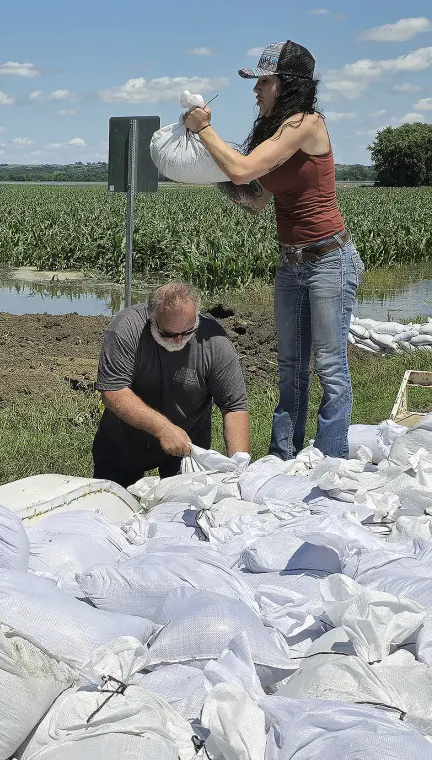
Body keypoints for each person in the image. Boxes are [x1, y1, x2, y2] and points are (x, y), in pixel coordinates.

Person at [184, 40, 365, 459]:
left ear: (289, 84)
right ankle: (284, 459)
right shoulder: (275, 133)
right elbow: (254, 199)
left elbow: (243, 167)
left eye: (264, 81)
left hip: (329, 261)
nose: (256, 90)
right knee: (290, 370)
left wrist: (205, 131)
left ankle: (328, 465)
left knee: (331, 369)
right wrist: (201, 168)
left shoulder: (305, 123)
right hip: (292, 264)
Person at [93, 282, 250, 488]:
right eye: (168, 334)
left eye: (187, 331)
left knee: (183, 512)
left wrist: (240, 467)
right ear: (151, 317)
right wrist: (164, 429)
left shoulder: (215, 342)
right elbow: (114, 392)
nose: (178, 340)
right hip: (123, 444)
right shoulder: (126, 330)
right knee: (112, 510)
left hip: (186, 447)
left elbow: (234, 407)